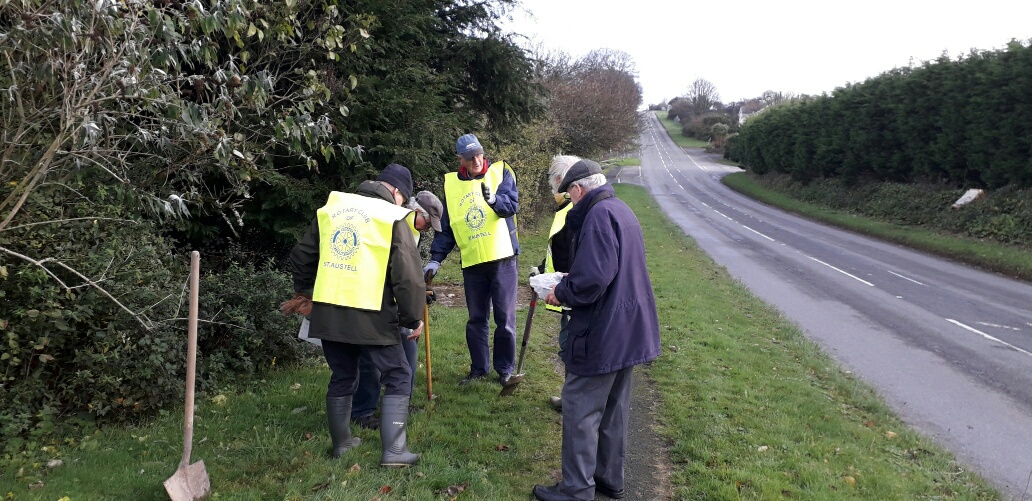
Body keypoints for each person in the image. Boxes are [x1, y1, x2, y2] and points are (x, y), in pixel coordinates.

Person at [533, 159, 661, 501]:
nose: (570, 201)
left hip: (603, 330)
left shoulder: (598, 216)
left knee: (580, 407)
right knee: (614, 408)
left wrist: (560, 291)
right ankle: (608, 478)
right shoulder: (621, 209)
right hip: (630, 328)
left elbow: (592, 280)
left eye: (569, 194)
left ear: (578, 189)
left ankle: (576, 490)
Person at [284, 163, 425, 467]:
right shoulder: (392, 217)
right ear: (397, 193)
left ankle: (342, 445)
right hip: (370, 315)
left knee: (343, 375)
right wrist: (412, 319)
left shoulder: (333, 208)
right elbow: (409, 278)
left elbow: (301, 256)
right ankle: (395, 452)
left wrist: (308, 293)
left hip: (330, 314)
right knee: (399, 375)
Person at [424, 133, 521, 385]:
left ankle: (505, 370)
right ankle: (479, 370)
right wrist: (436, 258)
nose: (477, 160)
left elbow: (511, 206)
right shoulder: (452, 185)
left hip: (502, 258)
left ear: (482, 152)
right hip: (472, 262)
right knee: (477, 319)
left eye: (478, 154)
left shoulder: (501, 172)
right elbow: (446, 227)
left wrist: (493, 200)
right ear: (461, 159)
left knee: (505, 320)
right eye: (470, 157)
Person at [351, 190, 443, 429]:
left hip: (401, 302)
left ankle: (400, 404)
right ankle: (363, 411)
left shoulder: (414, 231)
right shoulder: (393, 223)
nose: (428, 229)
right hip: (379, 301)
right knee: (371, 359)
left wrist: (419, 294)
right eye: (427, 222)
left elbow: (408, 272)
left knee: (408, 353)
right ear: (415, 210)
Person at [529, 155, 581, 412]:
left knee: (570, 348)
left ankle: (574, 402)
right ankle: (570, 398)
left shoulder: (574, 213)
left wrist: (561, 288)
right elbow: (560, 251)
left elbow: (575, 259)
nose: (552, 192)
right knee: (568, 346)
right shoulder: (567, 211)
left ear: (561, 181)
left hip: (573, 296)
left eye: (553, 185)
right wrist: (541, 269)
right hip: (567, 292)